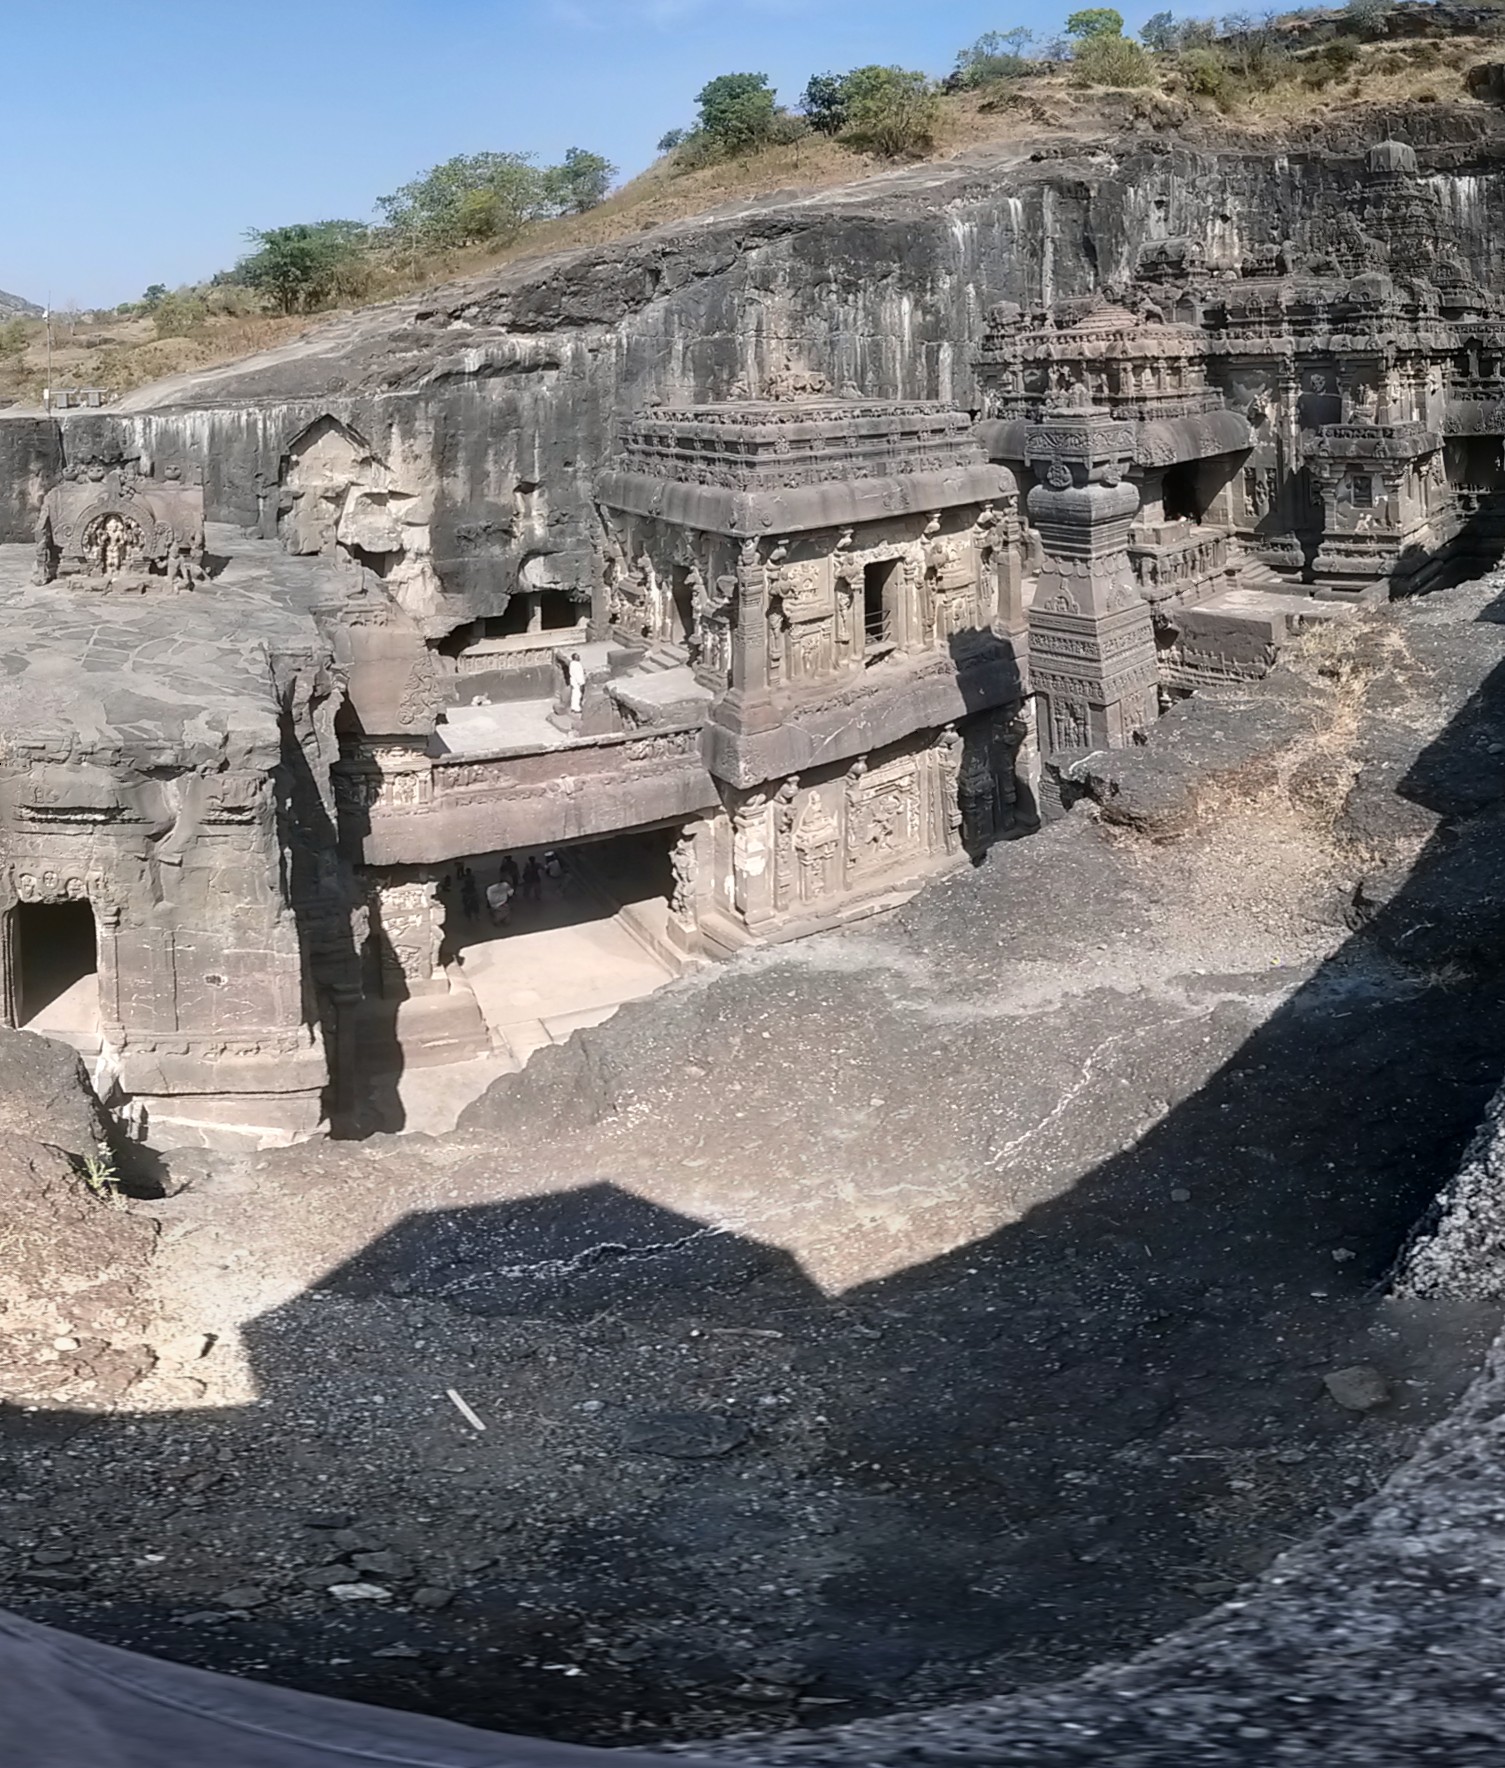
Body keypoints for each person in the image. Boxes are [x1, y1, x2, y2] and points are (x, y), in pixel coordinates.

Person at [567, 651, 587, 716]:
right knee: (578, 695)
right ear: (575, 658)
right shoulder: (576, 665)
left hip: (573, 682)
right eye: (578, 656)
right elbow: (578, 675)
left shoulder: (572, 664)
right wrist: (581, 683)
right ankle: (577, 708)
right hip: (577, 682)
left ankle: (573, 707)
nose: (579, 657)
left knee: (574, 695)